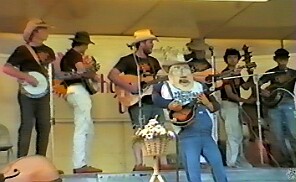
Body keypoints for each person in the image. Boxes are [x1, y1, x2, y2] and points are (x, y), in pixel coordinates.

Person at [152, 52, 227, 182]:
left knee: (217, 164)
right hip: (187, 134)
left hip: (207, 134)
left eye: (185, 68)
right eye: (177, 68)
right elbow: (156, 98)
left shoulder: (199, 86)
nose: (182, 72)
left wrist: (207, 103)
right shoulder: (164, 86)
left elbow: (215, 105)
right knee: (193, 170)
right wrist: (169, 105)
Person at [108, 29, 174, 171]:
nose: (152, 45)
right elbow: (112, 75)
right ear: (141, 43)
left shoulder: (153, 61)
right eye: (150, 42)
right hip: (137, 101)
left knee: (161, 129)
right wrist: (130, 88)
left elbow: (159, 78)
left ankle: (162, 163)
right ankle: (139, 163)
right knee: (139, 131)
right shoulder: (127, 60)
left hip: (154, 100)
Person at [2, 19, 55, 158]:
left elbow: (53, 72)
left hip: (44, 93)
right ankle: (22, 161)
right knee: (27, 126)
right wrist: (25, 76)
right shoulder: (23, 50)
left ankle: (41, 160)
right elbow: (7, 68)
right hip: (27, 94)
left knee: (44, 125)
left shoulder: (49, 51)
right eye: (44, 29)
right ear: (35, 32)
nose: (47, 32)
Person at [60, 31, 102, 173]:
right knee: (82, 127)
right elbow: (82, 71)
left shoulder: (68, 56)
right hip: (77, 90)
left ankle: (84, 162)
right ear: (83, 44)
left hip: (73, 91)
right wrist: (93, 74)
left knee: (87, 127)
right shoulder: (75, 55)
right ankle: (79, 164)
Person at [259, 48, 296, 167]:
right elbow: (258, 83)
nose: (283, 61)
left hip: (288, 103)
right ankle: (285, 161)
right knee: (277, 135)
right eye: (280, 58)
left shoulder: (293, 73)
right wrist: (262, 91)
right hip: (273, 105)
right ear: (275, 59)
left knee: (293, 133)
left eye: (285, 58)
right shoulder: (271, 72)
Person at [219, 48, 255, 168]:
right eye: (230, 57)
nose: (232, 59)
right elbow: (230, 94)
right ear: (226, 60)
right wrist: (246, 101)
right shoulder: (225, 74)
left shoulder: (237, 73)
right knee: (233, 135)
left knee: (239, 134)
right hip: (228, 105)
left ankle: (238, 159)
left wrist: (251, 73)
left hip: (235, 106)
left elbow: (245, 86)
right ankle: (232, 161)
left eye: (235, 57)